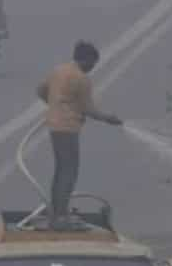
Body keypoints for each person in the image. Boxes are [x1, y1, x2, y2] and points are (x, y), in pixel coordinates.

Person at [36, 41, 123, 230]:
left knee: (60, 170)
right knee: (69, 172)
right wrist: (109, 118)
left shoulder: (59, 70)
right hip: (68, 128)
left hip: (54, 127)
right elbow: (88, 109)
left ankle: (56, 211)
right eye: (93, 63)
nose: (93, 67)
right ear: (86, 60)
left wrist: (54, 105)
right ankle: (60, 217)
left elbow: (41, 90)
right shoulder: (81, 79)